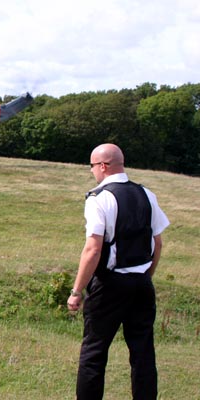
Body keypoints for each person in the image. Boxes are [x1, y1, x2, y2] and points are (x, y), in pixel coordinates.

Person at [67, 143, 170, 399]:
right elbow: (157, 243)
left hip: (110, 285)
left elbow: (93, 249)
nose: (92, 172)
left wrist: (76, 291)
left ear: (102, 166)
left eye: (92, 166)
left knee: (94, 352)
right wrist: (146, 276)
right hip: (142, 283)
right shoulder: (146, 194)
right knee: (143, 352)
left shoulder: (99, 198)